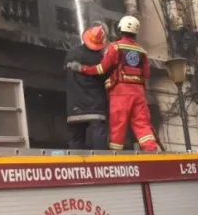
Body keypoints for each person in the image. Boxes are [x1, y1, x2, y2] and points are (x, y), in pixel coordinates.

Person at [66, 15, 159, 151]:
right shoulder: (142, 51)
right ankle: (151, 150)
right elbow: (146, 74)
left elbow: (101, 68)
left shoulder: (115, 47)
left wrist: (83, 69)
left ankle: (116, 154)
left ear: (120, 29)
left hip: (120, 92)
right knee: (142, 124)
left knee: (118, 125)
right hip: (139, 93)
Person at [65, 21, 109, 150]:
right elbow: (106, 77)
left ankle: (76, 162)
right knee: (98, 137)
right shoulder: (100, 59)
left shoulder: (71, 53)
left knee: (76, 139)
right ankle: (100, 161)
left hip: (74, 106)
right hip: (95, 107)